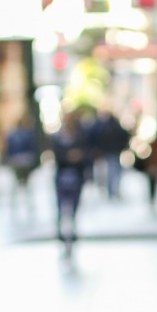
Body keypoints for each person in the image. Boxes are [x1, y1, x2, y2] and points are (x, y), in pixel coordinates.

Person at [52, 109, 92, 256]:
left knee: (74, 204)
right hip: (62, 175)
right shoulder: (57, 137)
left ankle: (72, 229)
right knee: (61, 205)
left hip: (77, 175)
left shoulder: (80, 136)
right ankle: (60, 231)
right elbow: (57, 156)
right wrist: (70, 156)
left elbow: (85, 154)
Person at [4, 119, 41, 210]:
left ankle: (18, 205)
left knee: (18, 184)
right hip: (24, 161)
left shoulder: (13, 135)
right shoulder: (27, 134)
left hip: (18, 161)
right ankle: (26, 204)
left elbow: (8, 150)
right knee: (25, 185)